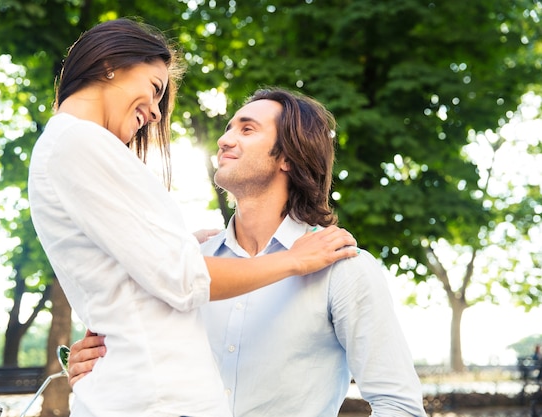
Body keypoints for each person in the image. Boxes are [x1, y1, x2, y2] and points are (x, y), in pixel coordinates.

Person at [28, 18, 359, 417]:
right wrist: (295, 260)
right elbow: (182, 279)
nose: (153, 113)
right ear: (109, 64)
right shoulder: (79, 142)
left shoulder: (70, 145)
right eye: (154, 89)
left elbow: (137, 273)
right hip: (158, 403)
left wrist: (179, 242)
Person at [68, 87, 428, 416]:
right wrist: (98, 370)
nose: (224, 140)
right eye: (228, 128)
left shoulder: (344, 269)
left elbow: (399, 405)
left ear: (288, 157)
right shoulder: (188, 267)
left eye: (247, 129)